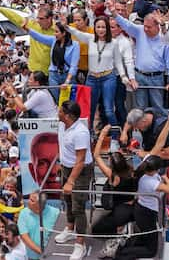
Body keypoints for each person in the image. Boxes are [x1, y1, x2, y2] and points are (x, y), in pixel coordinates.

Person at [111, 5, 169, 116]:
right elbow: (126, 24)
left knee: (158, 107)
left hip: (156, 78)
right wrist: (114, 12)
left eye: (149, 27)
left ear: (157, 26)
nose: (145, 29)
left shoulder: (165, 40)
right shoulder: (140, 31)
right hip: (140, 76)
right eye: (145, 26)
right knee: (140, 108)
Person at [66, 16, 124, 129]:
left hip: (108, 77)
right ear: (94, 28)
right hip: (92, 78)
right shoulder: (90, 38)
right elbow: (76, 32)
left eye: (103, 27)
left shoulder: (114, 42)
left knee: (108, 110)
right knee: (89, 110)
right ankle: (90, 134)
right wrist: (65, 25)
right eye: (98, 27)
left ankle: (115, 137)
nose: (101, 30)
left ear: (107, 28)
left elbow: (118, 61)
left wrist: (123, 76)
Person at [115, 155, 169, 260]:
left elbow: (148, 157)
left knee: (146, 236)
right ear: (156, 170)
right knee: (151, 251)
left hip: (142, 210)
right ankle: (122, 253)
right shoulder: (151, 182)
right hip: (146, 213)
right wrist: (165, 177)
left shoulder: (144, 174)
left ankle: (125, 249)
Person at [52, 100, 92, 260]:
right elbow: (63, 146)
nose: (58, 112)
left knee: (78, 208)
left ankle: (80, 244)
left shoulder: (81, 132)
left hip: (80, 171)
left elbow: (80, 160)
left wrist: (70, 181)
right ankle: (69, 229)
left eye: (60, 111)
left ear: (67, 115)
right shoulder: (62, 125)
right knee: (67, 200)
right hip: (66, 168)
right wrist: (61, 164)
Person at [92, 125, 137, 259]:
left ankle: (116, 239)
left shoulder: (113, 175)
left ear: (112, 166)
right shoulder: (132, 172)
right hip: (130, 206)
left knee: (97, 230)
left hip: (118, 209)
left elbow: (96, 155)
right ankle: (121, 232)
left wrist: (102, 135)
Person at [23, 20, 79, 102]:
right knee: (55, 100)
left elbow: (74, 66)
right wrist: (26, 29)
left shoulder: (75, 45)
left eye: (57, 32)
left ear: (64, 33)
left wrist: (67, 81)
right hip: (54, 75)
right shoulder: (53, 41)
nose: (54, 34)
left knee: (69, 101)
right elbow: (39, 37)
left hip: (68, 76)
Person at [0, 6, 55, 75]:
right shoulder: (33, 24)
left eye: (41, 18)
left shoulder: (58, 30)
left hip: (51, 72)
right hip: (33, 70)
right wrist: (0, 8)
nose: (38, 20)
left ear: (49, 19)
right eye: (37, 18)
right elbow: (16, 17)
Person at [17, 191, 58, 260]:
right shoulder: (23, 213)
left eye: (32, 200)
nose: (28, 202)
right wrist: (42, 252)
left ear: (40, 204)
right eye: (29, 199)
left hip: (52, 256)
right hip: (31, 257)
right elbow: (24, 237)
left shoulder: (56, 213)